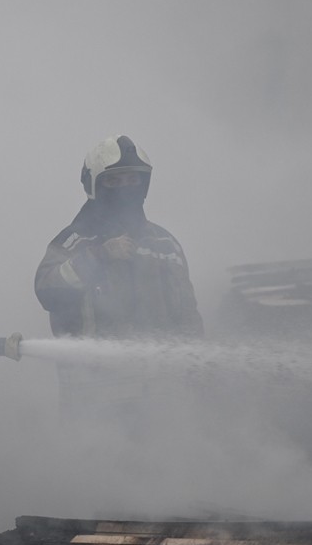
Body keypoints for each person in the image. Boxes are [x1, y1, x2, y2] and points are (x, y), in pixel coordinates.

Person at [34, 135, 203, 426]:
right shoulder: (74, 242)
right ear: (95, 186)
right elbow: (46, 289)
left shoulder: (165, 244)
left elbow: (187, 316)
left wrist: (199, 373)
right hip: (95, 411)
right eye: (114, 182)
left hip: (162, 405)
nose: (125, 189)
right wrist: (98, 257)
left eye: (132, 180)